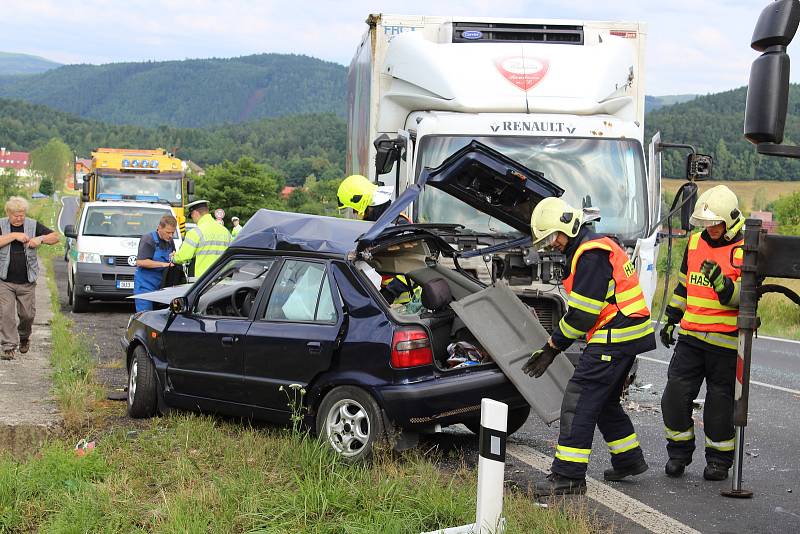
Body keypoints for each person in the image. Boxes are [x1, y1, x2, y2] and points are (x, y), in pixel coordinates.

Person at [523, 197, 655, 496]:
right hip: (625, 333)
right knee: (605, 399)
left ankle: (568, 476)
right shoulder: (593, 247)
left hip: (615, 335)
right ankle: (628, 459)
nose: (552, 245)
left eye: (553, 237)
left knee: (579, 399)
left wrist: (551, 348)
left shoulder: (591, 253)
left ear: (567, 227)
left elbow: (582, 316)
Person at [659, 185, 744, 481]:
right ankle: (679, 454)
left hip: (725, 343)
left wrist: (723, 285)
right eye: (707, 224)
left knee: (719, 405)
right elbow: (684, 285)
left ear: (731, 220)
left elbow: (747, 297)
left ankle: (719, 461)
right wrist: (671, 317)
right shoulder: (695, 243)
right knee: (673, 397)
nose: (711, 229)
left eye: (717, 224)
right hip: (691, 338)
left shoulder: (745, 251)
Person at [337, 175, 416, 303]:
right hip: (381, 299)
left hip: (402, 305)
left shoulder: (399, 225)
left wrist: (389, 294)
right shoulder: (376, 224)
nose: (356, 214)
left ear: (363, 203)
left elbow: (414, 264)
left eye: (355, 210)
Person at [0, 196, 59, 360]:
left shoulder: (32, 225)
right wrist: (13, 236)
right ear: (8, 213)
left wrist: (39, 239)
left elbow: (55, 237)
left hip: (27, 282)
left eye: (22, 214)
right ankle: (8, 347)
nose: (19, 218)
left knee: (27, 315)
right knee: (5, 314)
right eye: (15, 215)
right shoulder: (2, 224)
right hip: (4, 281)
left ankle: (24, 336)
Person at [171, 200, 231, 279]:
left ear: (195, 213)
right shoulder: (225, 231)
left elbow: (183, 257)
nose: (193, 219)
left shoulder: (195, 232)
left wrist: (173, 258)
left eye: (191, 215)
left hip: (202, 281)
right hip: (223, 278)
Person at [133, 214, 177, 312]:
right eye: (168, 232)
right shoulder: (148, 239)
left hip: (161, 287)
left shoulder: (170, 241)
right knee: (145, 317)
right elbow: (140, 262)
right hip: (145, 286)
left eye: (172, 233)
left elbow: (172, 257)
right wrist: (164, 264)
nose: (170, 236)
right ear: (159, 228)